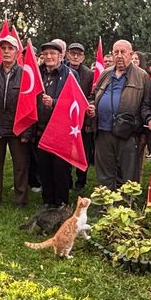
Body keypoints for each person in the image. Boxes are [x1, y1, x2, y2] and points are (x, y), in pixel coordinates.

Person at [88, 39, 150, 189]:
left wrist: (141, 131)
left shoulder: (142, 76)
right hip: (103, 130)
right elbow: (92, 96)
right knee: (105, 170)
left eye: (123, 52)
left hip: (128, 132)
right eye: (116, 52)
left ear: (131, 54)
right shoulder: (105, 74)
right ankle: (107, 202)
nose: (119, 56)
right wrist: (91, 107)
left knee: (127, 172)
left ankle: (125, 205)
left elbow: (146, 104)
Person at [0, 35, 30, 207]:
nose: (6, 52)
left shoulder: (25, 74)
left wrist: (27, 130)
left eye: (10, 48)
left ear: (17, 52)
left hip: (18, 128)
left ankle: (20, 201)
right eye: (3, 48)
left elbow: (30, 105)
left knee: (20, 167)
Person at [33, 41, 78, 206]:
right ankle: (48, 202)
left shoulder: (70, 74)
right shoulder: (38, 74)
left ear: (61, 56)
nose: (49, 57)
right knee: (44, 169)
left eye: (53, 53)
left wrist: (54, 102)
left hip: (61, 132)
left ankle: (61, 203)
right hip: (41, 130)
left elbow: (75, 102)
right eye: (46, 54)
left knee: (61, 171)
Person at [66, 42, 94, 193]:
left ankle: (80, 182)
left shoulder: (89, 74)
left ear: (83, 57)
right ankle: (67, 181)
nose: (75, 56)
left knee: (82, 151)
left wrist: (89, 121)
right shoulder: (62, 70)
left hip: (82, 119)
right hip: (66, 117)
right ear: (67, 54)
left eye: (79, 54)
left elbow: (91, 98)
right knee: (66, 152)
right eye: (73, 53)